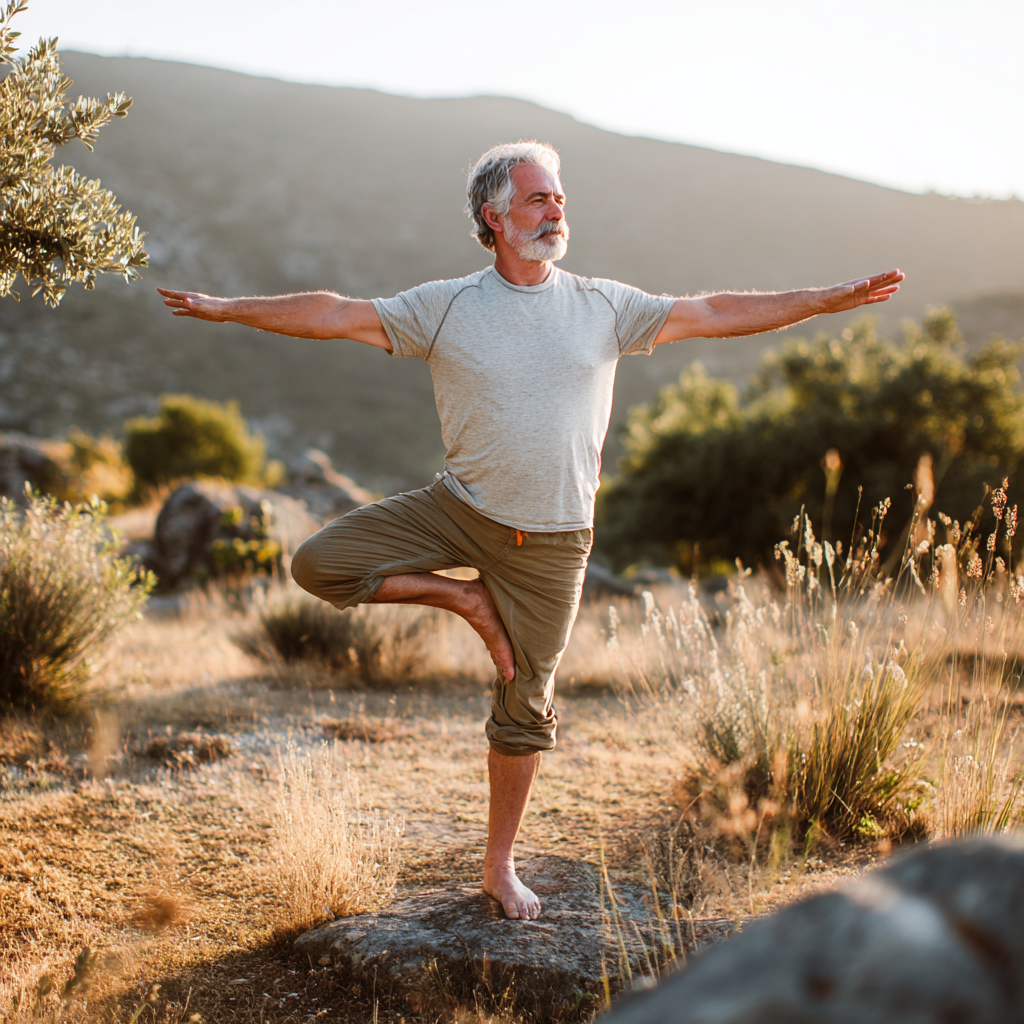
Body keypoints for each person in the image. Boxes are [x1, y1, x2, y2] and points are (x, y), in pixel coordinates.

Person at [158, 140, 903, 921]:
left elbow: (712, 311)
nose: (557, 210)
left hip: (553, 542)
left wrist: (821, 300)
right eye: (539, 199)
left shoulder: (604, 304)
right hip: (457, 511)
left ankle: (498, 865)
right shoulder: (445, 306)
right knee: (319, 562)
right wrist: (229, 308)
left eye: (560, 199)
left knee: (525, 706)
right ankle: (466, 604)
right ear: (495, 218)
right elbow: (339, 314)